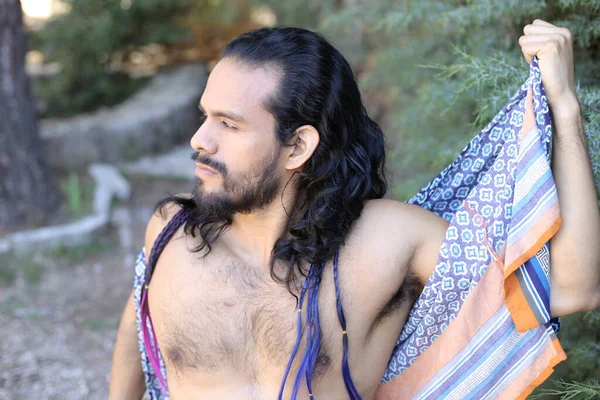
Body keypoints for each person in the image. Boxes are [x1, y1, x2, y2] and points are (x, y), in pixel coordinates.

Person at [109, 20, 600, 399]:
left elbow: (573, 288)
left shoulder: (386, 242)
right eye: (204, 116)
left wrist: (564, 105)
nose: (199, 140)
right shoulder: (173, 233)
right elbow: (139, 328)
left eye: (228, 124)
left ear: (298, 146)